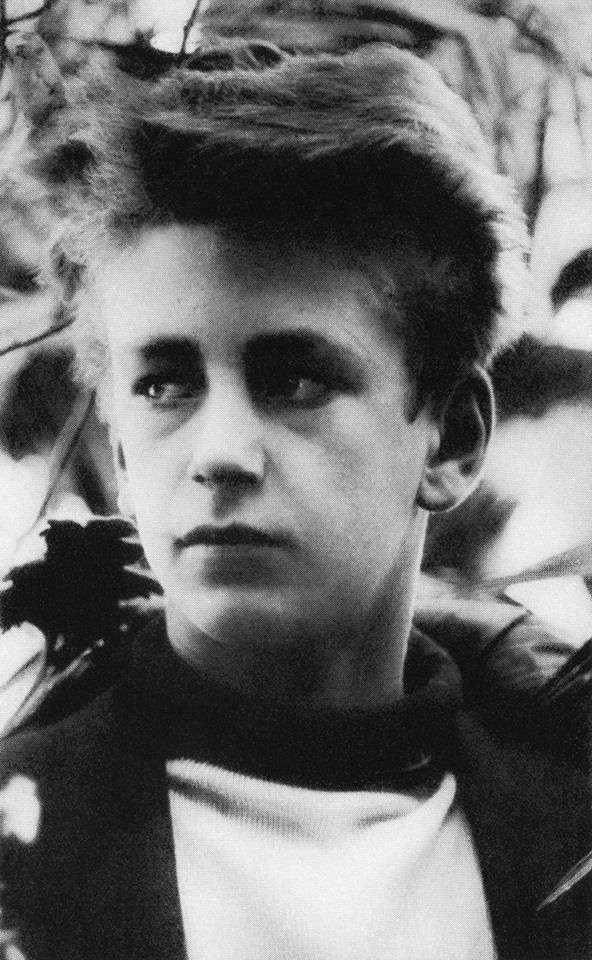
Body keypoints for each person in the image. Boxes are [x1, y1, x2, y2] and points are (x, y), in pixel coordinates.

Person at [0, 40, 589, 960]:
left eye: (296, 380)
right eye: (163, 384)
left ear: (455, 437)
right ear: (114, 435)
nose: (220, 453)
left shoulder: (569, 831)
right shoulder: (19, 843)